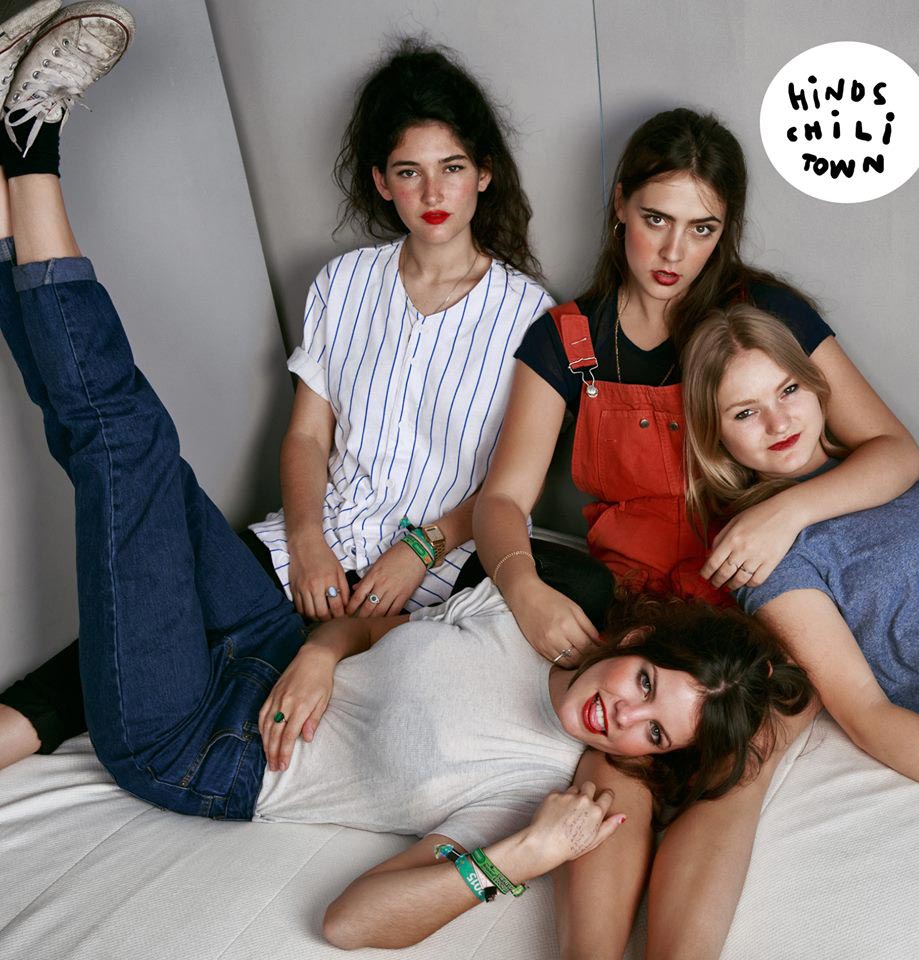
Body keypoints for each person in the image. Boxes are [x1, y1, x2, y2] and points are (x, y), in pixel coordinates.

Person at [0, 15, 815, 941]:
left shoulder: (529, 787)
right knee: (131, 448)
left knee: (122, 446)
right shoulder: (529, 619)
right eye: (644, 683)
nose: (622, 712)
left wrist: (522, 856)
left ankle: (29, 153)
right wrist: (319, 642)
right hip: (276, 625)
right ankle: (15, 177)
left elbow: (353, 924)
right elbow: (338, 482)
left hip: (202, 743)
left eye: (652, 734)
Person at [0, 28, 551, 765]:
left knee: (130, 483)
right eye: (408, 171)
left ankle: (21, 156)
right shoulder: (345, 282)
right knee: (151, 591)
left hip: (426, 585)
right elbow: (307, 438)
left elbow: (508, 487)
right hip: (302, 552)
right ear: (381, 182)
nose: (432, 193)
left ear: (484, 173)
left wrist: (420, 550)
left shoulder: (533, 318)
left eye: (451, 168)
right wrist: (307, 540)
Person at [469, 107, 919, 960]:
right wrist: (523, 586)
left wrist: (787, 510)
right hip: (643, 612)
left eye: (702, 228)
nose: (674, 251)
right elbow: (500, 500)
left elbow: (895, 452)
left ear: (726, 230)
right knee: (612, 768)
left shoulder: (761, 316)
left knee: (734, 770)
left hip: (766, 606)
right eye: (656, 219)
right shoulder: (568, 340)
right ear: (619, 205)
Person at [682, 303, 919, 797]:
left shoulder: (898, 465)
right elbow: (867, 714)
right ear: (714, 434)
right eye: (745, 412)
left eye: (788, 390)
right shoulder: (766, 555)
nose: (778, 422)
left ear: (815, 385)